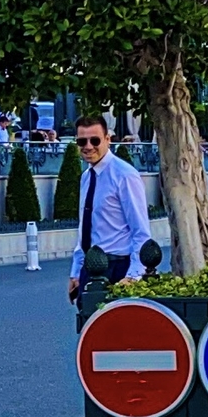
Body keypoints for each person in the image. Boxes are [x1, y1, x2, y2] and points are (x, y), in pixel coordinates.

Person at [66, 112, 151, 305]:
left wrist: (133, 276)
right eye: (82, 141)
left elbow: (141, 231)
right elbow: (86, 229)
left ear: (107, 139)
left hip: (118, 268)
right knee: (88, 329)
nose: (88, 146)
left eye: (95, 140)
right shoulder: (87, 177)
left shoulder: (125, 175)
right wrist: (76, 271)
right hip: (91, 268)